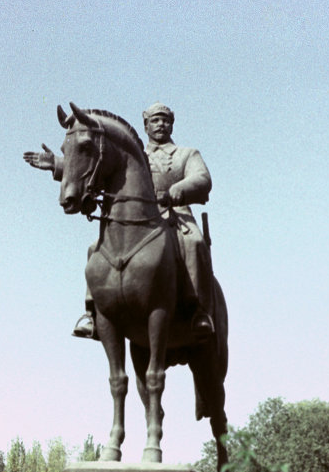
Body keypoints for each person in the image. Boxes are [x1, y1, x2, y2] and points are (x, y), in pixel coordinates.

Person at [24, 101, 215, 340]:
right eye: (155, 120)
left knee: (195, 243)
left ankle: (199, 311)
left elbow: (202, 178)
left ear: (172, 125)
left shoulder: (186, 154)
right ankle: (92, 314)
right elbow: (96, 165)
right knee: (96, 248)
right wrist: (57, 164)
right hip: (139, 216)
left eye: (165, 120)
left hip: (175, 214)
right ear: (145, 125)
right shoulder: (134, 153)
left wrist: (181, 189)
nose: (160, 124)